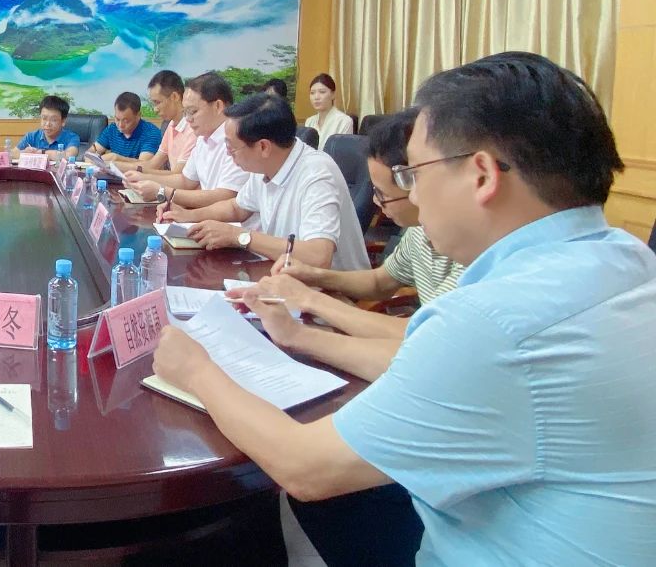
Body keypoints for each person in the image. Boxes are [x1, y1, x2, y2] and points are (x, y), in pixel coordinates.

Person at [154, 53, 656, 567]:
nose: (404, 197)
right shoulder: (627, 259)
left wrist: (195, 369)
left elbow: (305, 468)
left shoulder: (497, 321)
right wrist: (300, 335)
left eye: (411, 173)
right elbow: (426, 353)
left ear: (482, 175)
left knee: (250, 524)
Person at [225, 108, 464, 378]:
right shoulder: (418, 232)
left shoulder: (477, 253)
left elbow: (423, 337)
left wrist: (308, 301)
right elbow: (380, 282)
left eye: (383, 194)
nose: (376, 203)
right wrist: (314, 276)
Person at [173, 93, 370, 271]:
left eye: (232, 147)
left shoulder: (317, 174)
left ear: (263, 147)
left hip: (333, 291)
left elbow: (318, 257)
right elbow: (237, 207)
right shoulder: (265, 165)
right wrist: (189, 216)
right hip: (285, 277)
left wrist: (239, 236)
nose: (228, 153)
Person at [123, 72, 249, 212]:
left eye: (193, 111)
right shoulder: (203, 138)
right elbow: (186, 180)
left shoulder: (239, 140)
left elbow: (225, 196)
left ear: (218, 106)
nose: (188, 119)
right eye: (186, 112)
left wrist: (163, 191)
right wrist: (144, 178)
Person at [139, 69, 197, 175]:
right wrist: (114, 165)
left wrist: (139, 174)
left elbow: (178, 176)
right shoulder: (171, 124)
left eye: (157, 102)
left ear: (175, 97)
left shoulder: (193, 128)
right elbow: (153, 164)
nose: (155, 109)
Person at [90, 91, 163, 164]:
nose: (120, 125)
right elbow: (92, 151)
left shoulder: (151, 133)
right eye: (117, 119)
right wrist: (90, 157)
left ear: (138, 116)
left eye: (126, 121)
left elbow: (145, 165)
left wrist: (116, 158)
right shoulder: (112, 129)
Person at [14, 95, 80, 160]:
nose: (47, 124)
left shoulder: (72, 138)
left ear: (63, 121)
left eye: (53, 120)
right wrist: (24, 152)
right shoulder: (31, 136)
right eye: (44, 118)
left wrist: (41, 152)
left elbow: (70, 156)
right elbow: (13, 153)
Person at [304, 73, 354, 150]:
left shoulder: (344, 121)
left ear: (333, 94)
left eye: (322, 92)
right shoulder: (309, 121)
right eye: (312, 93)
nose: (316, 97)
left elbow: (342, 152)